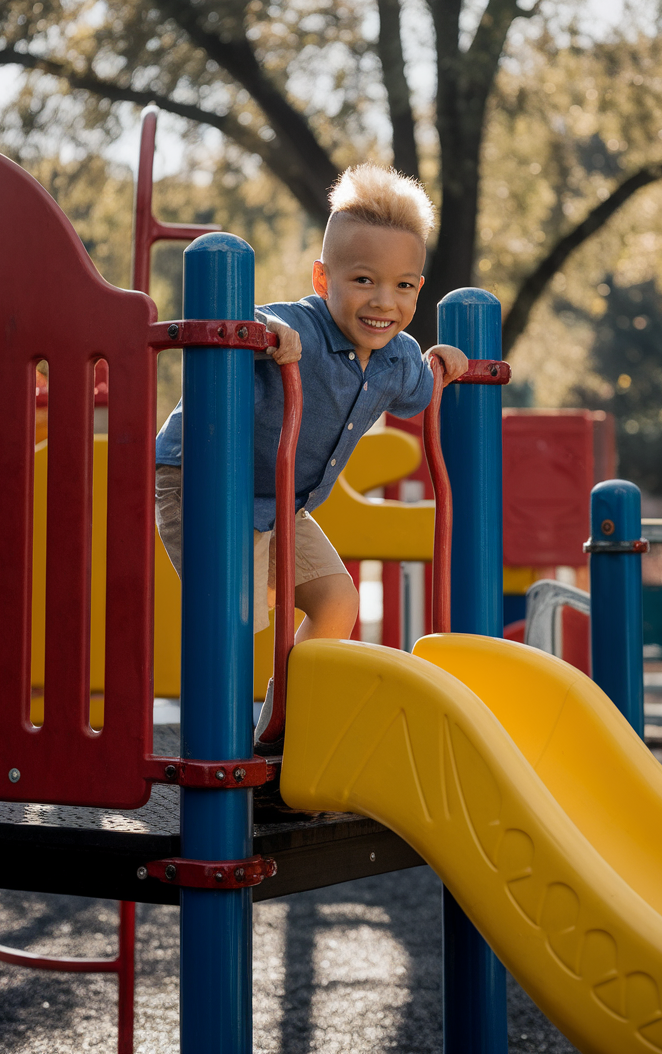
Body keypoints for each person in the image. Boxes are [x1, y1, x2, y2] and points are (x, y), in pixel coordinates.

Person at [154, 163, 468, 750]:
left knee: (338, 600)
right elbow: (231, 324)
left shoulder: (398, 358)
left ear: (418, 290)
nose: (383, 301)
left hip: (279, 505)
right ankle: (220, 750)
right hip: (201, 485)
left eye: (403, 286)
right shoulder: (294, 324)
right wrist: (266, 334)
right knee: (237, 615)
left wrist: (444, 361)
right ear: (324, 279)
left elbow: (425, 386)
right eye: (363, 280)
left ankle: (282, 731)